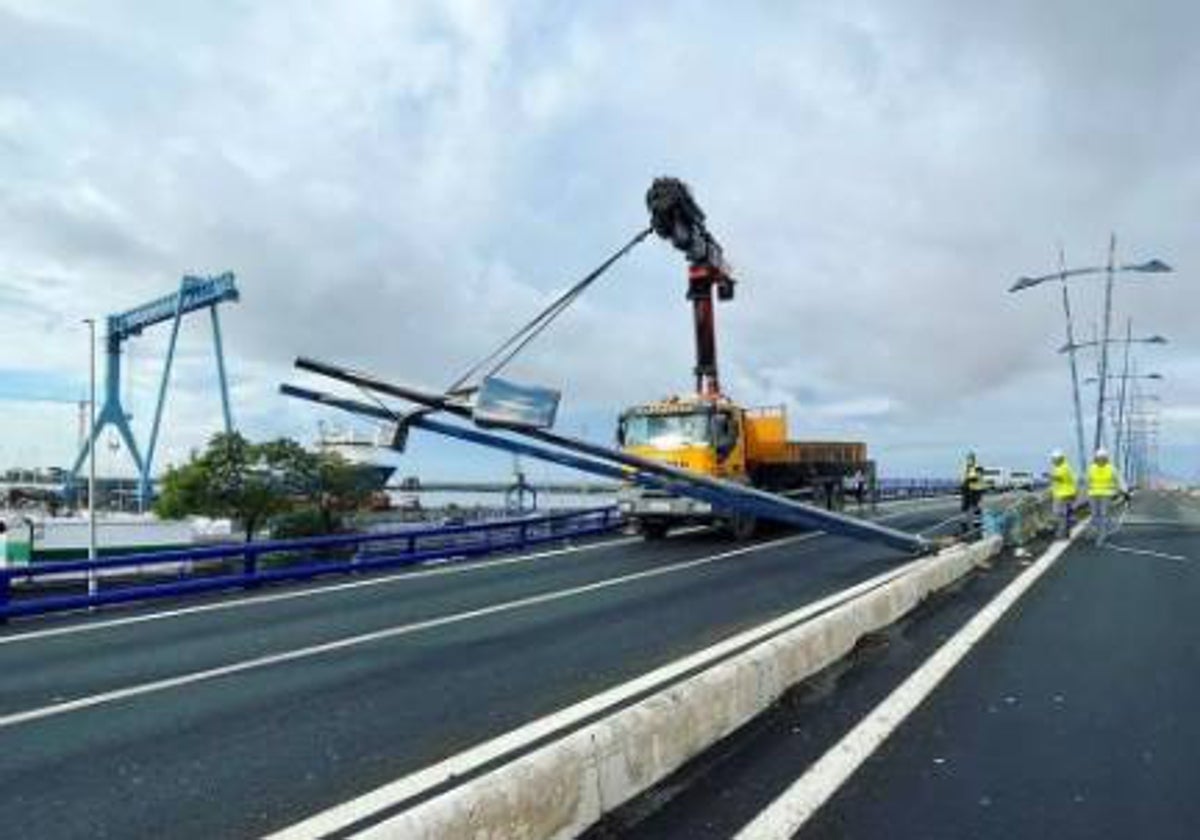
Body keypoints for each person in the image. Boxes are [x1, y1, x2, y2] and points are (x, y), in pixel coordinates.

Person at [1086, 448, 1124, 545]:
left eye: (1103, 458)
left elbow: (1119, 480)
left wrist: (1123, 491)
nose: (1101, 460)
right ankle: (1093, 532)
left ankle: (1101, 536)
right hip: (1093, 494)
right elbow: (1087, 481)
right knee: (1094, 515)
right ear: (1096, 458)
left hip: (1106, 494)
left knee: (1103, 515)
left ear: (1106, 458)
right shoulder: (1092, 468)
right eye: (1099, 458)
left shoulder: (1111, 468)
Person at [1048, 449, 1077, 539]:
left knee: (1059, 514)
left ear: (1058, 459)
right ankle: (1066, 532)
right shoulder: (1065, 466)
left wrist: (1050, 476)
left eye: (1054, 459)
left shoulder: (1062, 468)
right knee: (1066, 514)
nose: (1053, 461)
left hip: (1062, 494)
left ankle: (1061, 534)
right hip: (1069, 493)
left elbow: (1060, 479)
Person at [960, 451, 985, 532]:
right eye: (968, 458)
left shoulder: (977, 467)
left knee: (976, 508)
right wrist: (963, 485)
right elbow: (964, 478)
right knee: (965, 508)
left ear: (974, 459)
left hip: (975, 490)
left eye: (971, 458)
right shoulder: (966, 467)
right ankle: (964, 524)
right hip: (967, 490)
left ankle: (977, 524)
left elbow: (977, 478)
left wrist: (968, 480)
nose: (969, 460)